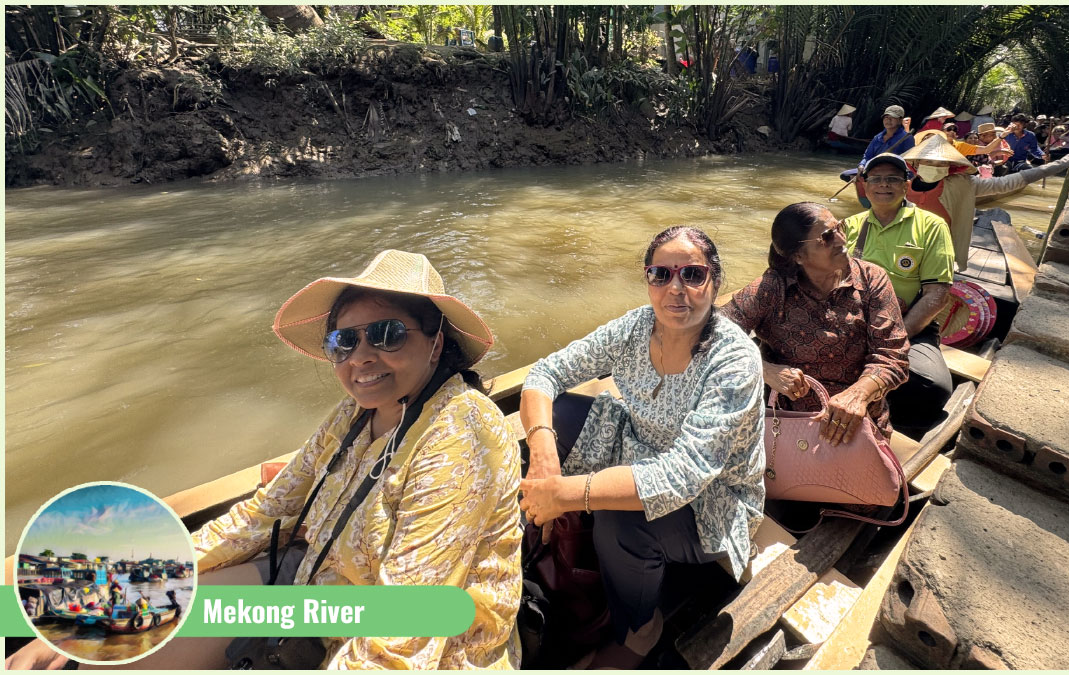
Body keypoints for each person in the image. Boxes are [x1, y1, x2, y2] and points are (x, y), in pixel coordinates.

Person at [3, 250, 525, 671]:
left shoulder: (462, 429)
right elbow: (262, 515)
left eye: (387, 335)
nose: (362, 356)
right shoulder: (352, 416)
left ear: (434, 343)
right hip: (319, 597)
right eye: (344, 341)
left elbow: (403, 628)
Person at [518, 227, 765, 669]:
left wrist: (567, 494)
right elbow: (544, 374)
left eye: (692, 274)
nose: (676, 288)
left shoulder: (735, 358)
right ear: (648, 279)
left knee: (621, 520)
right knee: (553, 420)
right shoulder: (635, 327)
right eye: (660, 274)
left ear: (716, 281)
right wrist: (543, 456)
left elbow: (684, 473)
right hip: (636, 446)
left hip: (711, 499)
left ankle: (640, 630)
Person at [723, 203, 909, 441]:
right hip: (784, 423)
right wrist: (763, 370)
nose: (842, 241)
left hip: (859, 422)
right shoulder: (773, 287)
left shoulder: (872, 279)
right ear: (798, 256)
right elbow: (712, 334)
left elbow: (893, 355)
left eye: (839, 228)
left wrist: (859, 395)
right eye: (827, 237)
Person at [842, 153, 955, 439]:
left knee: (933, 386)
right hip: (854, 319)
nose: (884, 185)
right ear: (864, 186)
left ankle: (892, 424)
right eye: (876, 179)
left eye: (892, 178)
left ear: (906, 185)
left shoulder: (931, 226)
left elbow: (937, 294)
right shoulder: (850, 226)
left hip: (909, 325)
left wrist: (894, 336)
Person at [903, 132, 1069, 269]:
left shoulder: (963, 185)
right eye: (928, 161)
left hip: (940, 250)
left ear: (950, 165)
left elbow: (1007, 182)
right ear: (916, 163)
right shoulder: (901, 186)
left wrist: (1058, 165)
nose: (935, 167)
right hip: (905, 247)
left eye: (941, 163)